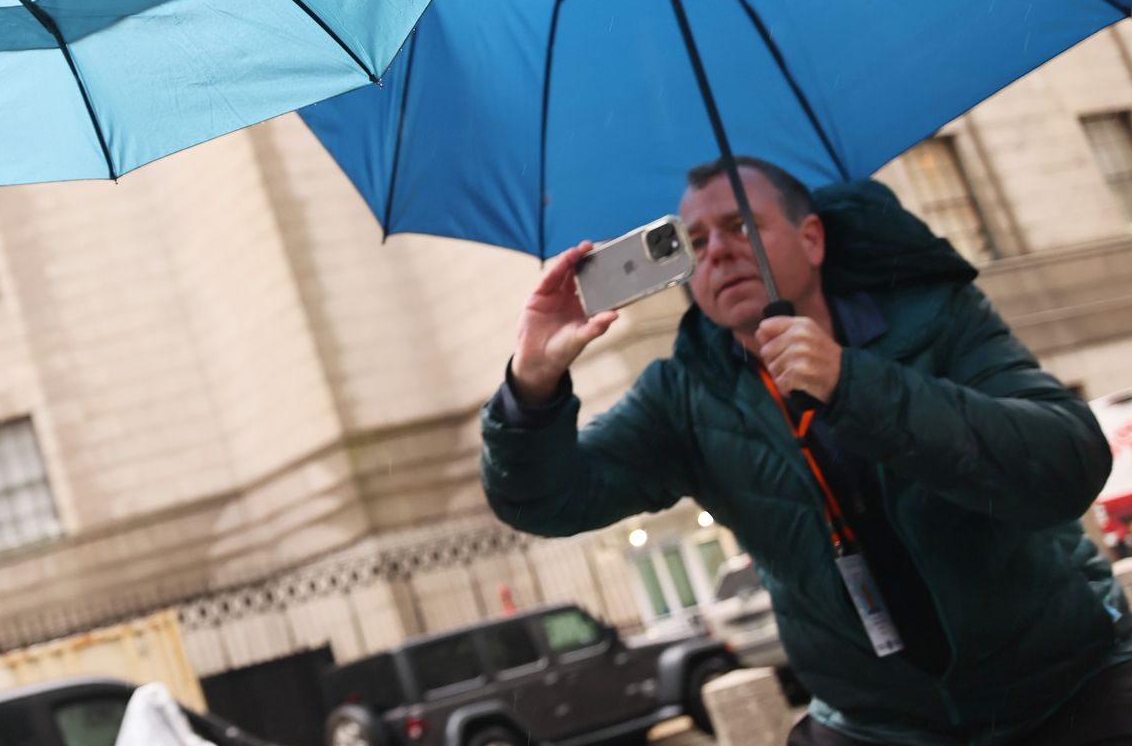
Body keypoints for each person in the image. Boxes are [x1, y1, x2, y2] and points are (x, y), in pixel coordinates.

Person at [481, 156, 1132, 745]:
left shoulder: (936, 315)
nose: (717, 254)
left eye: (742, 226)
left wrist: (854, 384)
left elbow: (1068, 462)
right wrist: (531, 385)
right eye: (697, 243)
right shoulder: (682, 395)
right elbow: (544, 501)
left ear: (812, 239)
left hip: (1067, 689)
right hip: (877, 727)